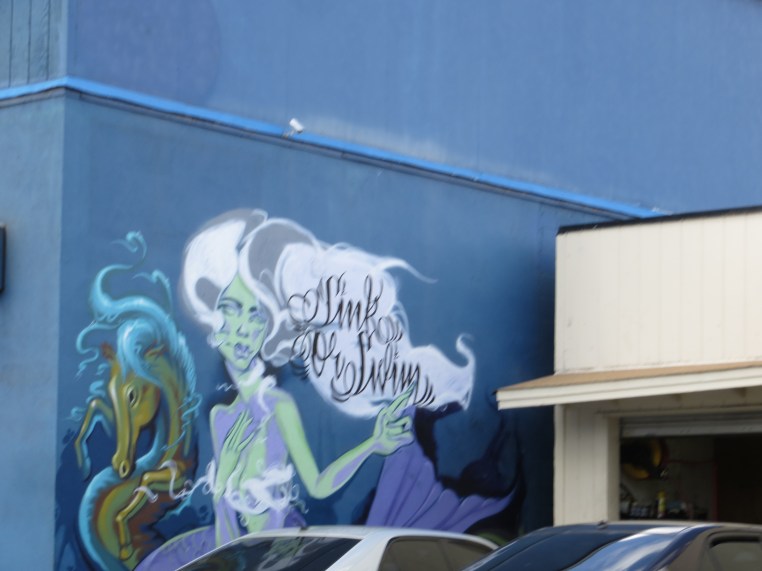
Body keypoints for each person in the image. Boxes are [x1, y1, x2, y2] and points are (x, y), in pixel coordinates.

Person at [180, 210, 414, 546]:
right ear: (215, 320)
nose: (243, 329)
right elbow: (224, 536)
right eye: (231, 309)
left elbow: (316, 484)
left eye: (256, 315)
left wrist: (373, 445)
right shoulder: (221, 417)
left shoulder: (280, 406)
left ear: (269, 327)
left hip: (283, 553)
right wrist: (224, 478)